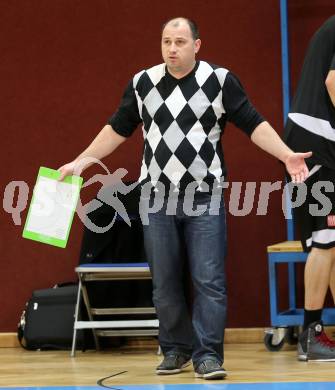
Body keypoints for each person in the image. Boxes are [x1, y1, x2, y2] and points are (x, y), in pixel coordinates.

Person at [59, 17, 311, 379]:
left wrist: (286, 154)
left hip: (204, 195)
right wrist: (82, 160)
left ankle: (208, 355)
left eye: (179, 41)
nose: (172, 49)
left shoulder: (219, 81)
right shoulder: (143, 83)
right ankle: (176, 349)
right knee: (164, 281)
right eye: (166, 42)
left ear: (197, 45)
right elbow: (117, 127)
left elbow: (253, 122)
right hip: (156, 197)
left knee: (209, 278)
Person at [283, 15, 335, 362]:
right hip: (318, 139)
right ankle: (311, 334)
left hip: (313, 136)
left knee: (332, 240)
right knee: (325, 239)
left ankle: (315, 334)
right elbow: (334, 82)